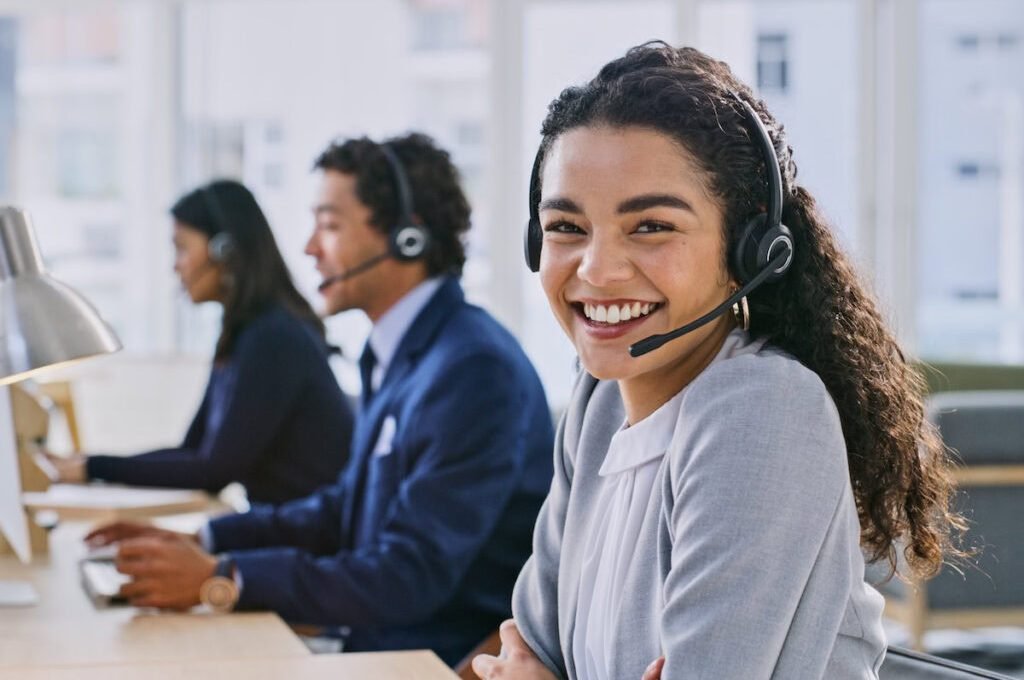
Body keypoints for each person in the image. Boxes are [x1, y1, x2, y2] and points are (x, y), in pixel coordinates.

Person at [473, 43, 964, 680]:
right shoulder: (598, 401)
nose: (595, 269)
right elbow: (528, 646)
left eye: (650, 226)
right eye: (566, 226)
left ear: (751, 249)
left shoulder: (762, 410)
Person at [85, 133, 555, 666]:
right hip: (370, 640)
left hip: (420, 660)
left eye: (329, 226)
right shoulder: (398, 353)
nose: (309, 247)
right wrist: (207, 538)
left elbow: (406, 577)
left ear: (407, 238)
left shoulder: (472, 370)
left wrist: (224, 579)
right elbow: (342, 510)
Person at [45, 180, 353, 506]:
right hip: (276, 531)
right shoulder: (242, 334)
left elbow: (214, 471)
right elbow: (192, 449)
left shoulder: (273, 338)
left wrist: (93, 469)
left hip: (303, 541)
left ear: (225, 251)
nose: (175, 265)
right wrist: (88, 464)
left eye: (182, 248)